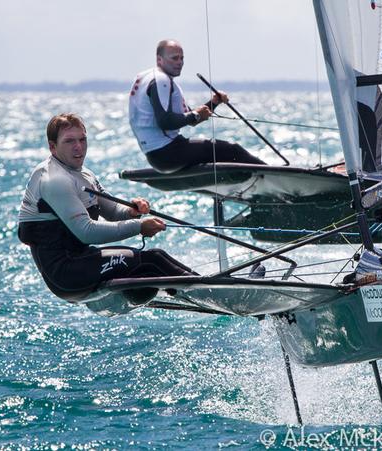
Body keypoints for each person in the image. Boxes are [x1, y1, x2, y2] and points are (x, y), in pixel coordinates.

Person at [18, 113, 195, 302]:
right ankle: (208, 291)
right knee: (153, 260)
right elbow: (86, 232)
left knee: (151, 262)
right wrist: (139, 226)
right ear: (52, 147)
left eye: (82, 139)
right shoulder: (54, 180)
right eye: (69, 141)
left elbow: (112, 211)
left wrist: (131, 212)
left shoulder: (84, 174)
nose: (78, 147)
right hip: (66, 274)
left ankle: (201, 288)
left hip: (83, 259)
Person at [128, 39, 266, 173]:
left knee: (219, 151)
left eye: (182, 58)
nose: (180, 63)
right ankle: (277, 175)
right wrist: (196, 114)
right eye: (174, 58)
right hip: (168, 153)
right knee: (232, 150)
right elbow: (166, 122)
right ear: (159, 59)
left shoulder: (145, 77)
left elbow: (189, 119)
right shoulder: (161, 80)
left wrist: (213, 103)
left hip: (155, 156)